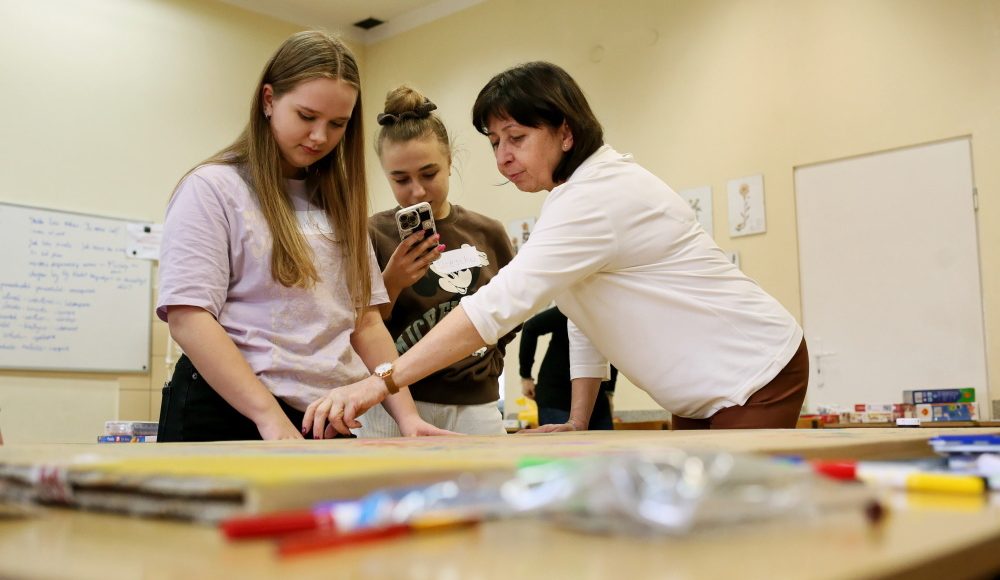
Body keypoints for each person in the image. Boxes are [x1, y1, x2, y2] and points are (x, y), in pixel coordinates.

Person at [305, 61, 808, 435]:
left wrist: (380, 381)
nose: (503, 158)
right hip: (708, 390)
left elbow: (495, 307)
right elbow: (587, 316)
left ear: (565, 133)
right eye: (495, 142)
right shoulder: (572, 198)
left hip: (753, 372)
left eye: (516, 138)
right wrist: (577, 418)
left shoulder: (595, 198)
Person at [156, 31, 449, 441]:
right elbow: (188, 318)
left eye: (337, 124)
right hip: (229, 411)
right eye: (307, 117)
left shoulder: (338, 203)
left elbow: (366, 323)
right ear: (269, 100)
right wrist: (268, 416)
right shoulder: (213, 188)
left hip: (324, 417)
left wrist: (408, 417)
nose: (319, 137)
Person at [358, 86, 516, 437]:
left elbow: (511, 313)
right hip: (394, 404)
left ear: (450, 163)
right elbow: (361, 327)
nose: (416, 190)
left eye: (429, 174)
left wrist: (485, 363)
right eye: (400, 179)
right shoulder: (371, 234)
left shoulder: (488, 232)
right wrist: (392, 282)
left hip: (476, 403)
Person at [519, 306, 616, 429]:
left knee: (605, 441)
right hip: (556, 396)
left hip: (597, 398)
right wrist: (526, 376)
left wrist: (609, 392)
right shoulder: (570, 308)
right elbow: (530, 327)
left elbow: (612, 353)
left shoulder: (610, 315)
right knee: (566, 440)